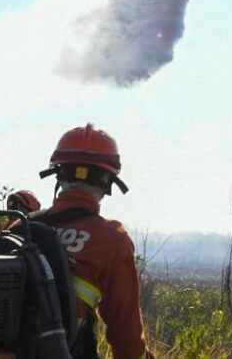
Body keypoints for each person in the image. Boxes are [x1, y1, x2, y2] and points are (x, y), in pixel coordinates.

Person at [32, 123, 155, 359]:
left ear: (58, 174)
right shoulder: (111, 240)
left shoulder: (23, 228)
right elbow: (125, 335)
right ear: (108, 181)